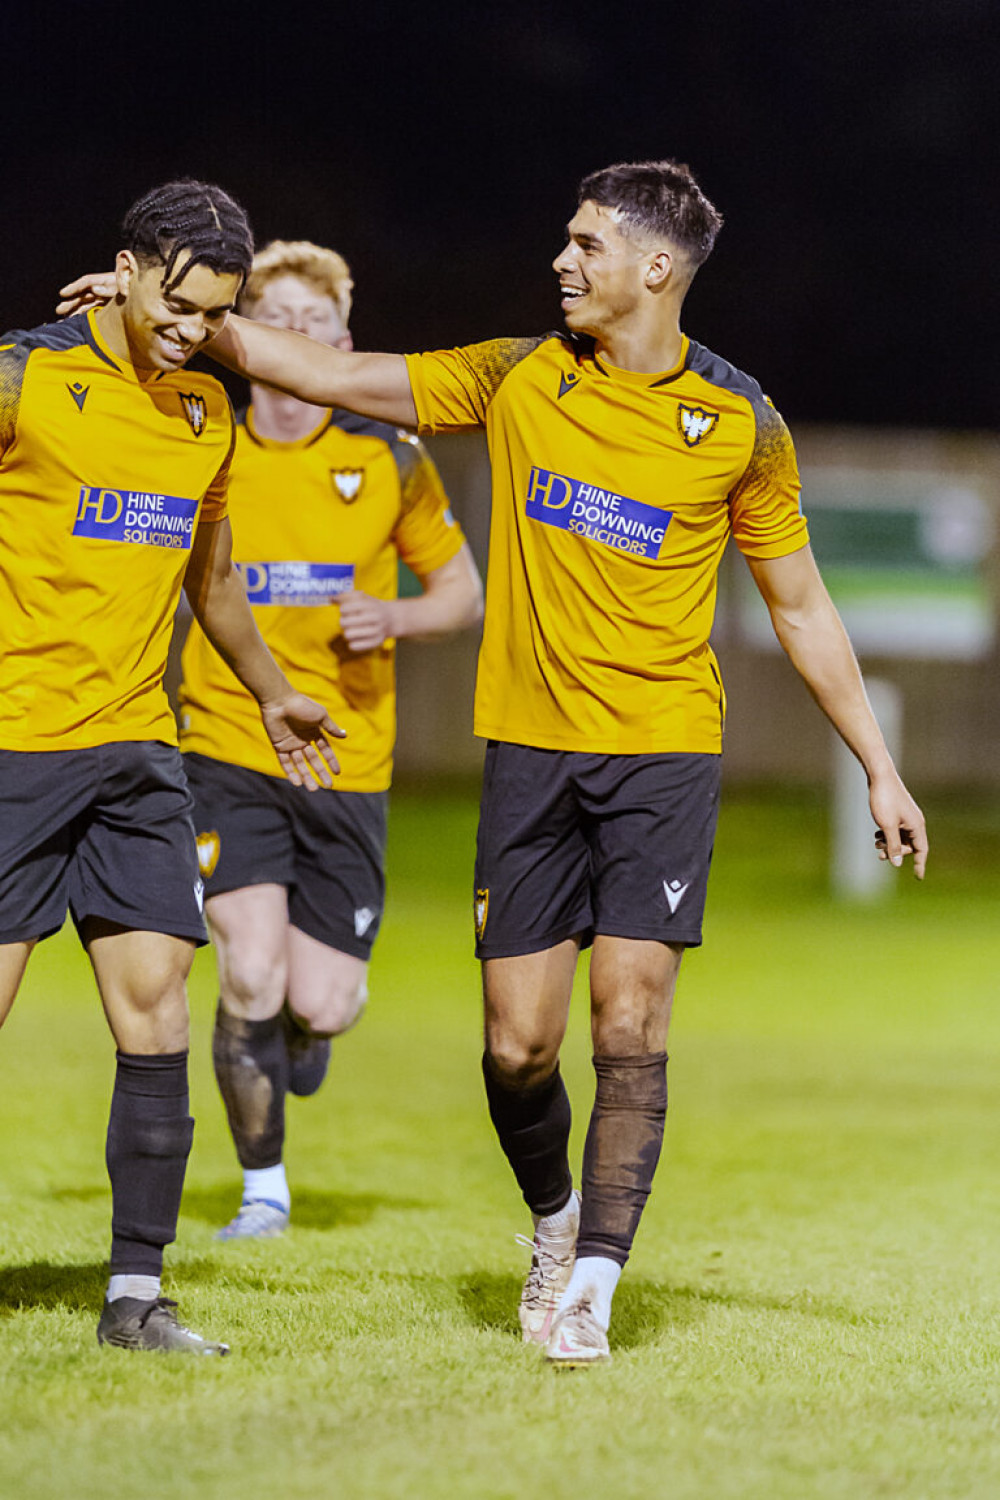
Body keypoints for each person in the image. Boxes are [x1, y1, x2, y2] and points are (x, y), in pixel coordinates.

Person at [59, 159, 928, 1368]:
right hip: (529, 759)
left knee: (630, 1015)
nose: (562, 261)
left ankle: (595, 1288)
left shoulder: (740, 422)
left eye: (585, 244)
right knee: (518, 1048)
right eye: (564, 241)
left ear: (655, 268)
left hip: (664, 756)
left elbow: (800, 604)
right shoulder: (520, 375)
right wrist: (160, 309)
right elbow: (323, 368)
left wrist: (878, 767)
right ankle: (554, 1220)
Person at [2, 180, 342, 1357]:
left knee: (155, 1018)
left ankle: (135, 1300)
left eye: (215, 315)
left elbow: (212, 582)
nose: (191, 331)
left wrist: (272, 688)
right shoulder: (24, 377)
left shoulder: (205, 409)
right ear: (129, 268)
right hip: (13, 749)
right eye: (178, 305)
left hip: (138, 758)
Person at [176, 239, 483, 1240]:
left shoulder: (387, 456)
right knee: (248, 970)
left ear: (342, 344)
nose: (298, 342)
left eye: (316, 328)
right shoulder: (201, 441)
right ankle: (263, 1191)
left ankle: (303, 1034)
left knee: (324, 1003)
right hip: (227, 745)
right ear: (249, 334)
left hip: (348, 758)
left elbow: (461, 594)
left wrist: (392, 618)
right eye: (282, 323)